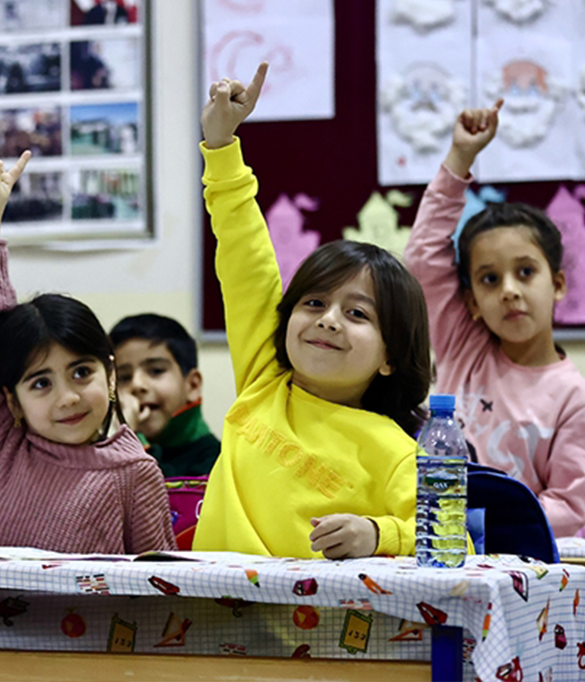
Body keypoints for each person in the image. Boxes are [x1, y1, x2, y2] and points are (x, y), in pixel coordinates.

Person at [192, 63, 432, 559]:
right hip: (207, 622)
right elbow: (245, 257)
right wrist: (221, 146)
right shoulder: (265, 379)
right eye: (315, 302)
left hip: (311, 636)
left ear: (390, 357)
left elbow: (455, 541)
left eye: (358, 315)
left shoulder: (394, 450)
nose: (328, 320)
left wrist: (378, 534)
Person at [0, 152, 175, 554]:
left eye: (82, 373)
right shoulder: (0, 446)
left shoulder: (134, 473)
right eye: (41, 383)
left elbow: (159, 592)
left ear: (112, 376)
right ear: (12, 401)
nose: (67, 397)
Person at [403, 101, 585, 539]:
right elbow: (423, 257)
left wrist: (479, 523)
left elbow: (570, 507)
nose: (510, 291)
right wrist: (460, 157)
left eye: (525, 272)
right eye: (489, 279)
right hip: (441, 545)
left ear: (557, 284)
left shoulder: (579, 403)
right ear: (473, 301)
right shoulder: (464, 344)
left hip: (517, 563)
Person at [109, 314, 220, 477]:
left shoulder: (217, 460)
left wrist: (129, 443)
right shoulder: (103, 450)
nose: (137, 385)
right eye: (124, 377)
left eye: (156, 371)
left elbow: (160, 497)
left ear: (192, 385)